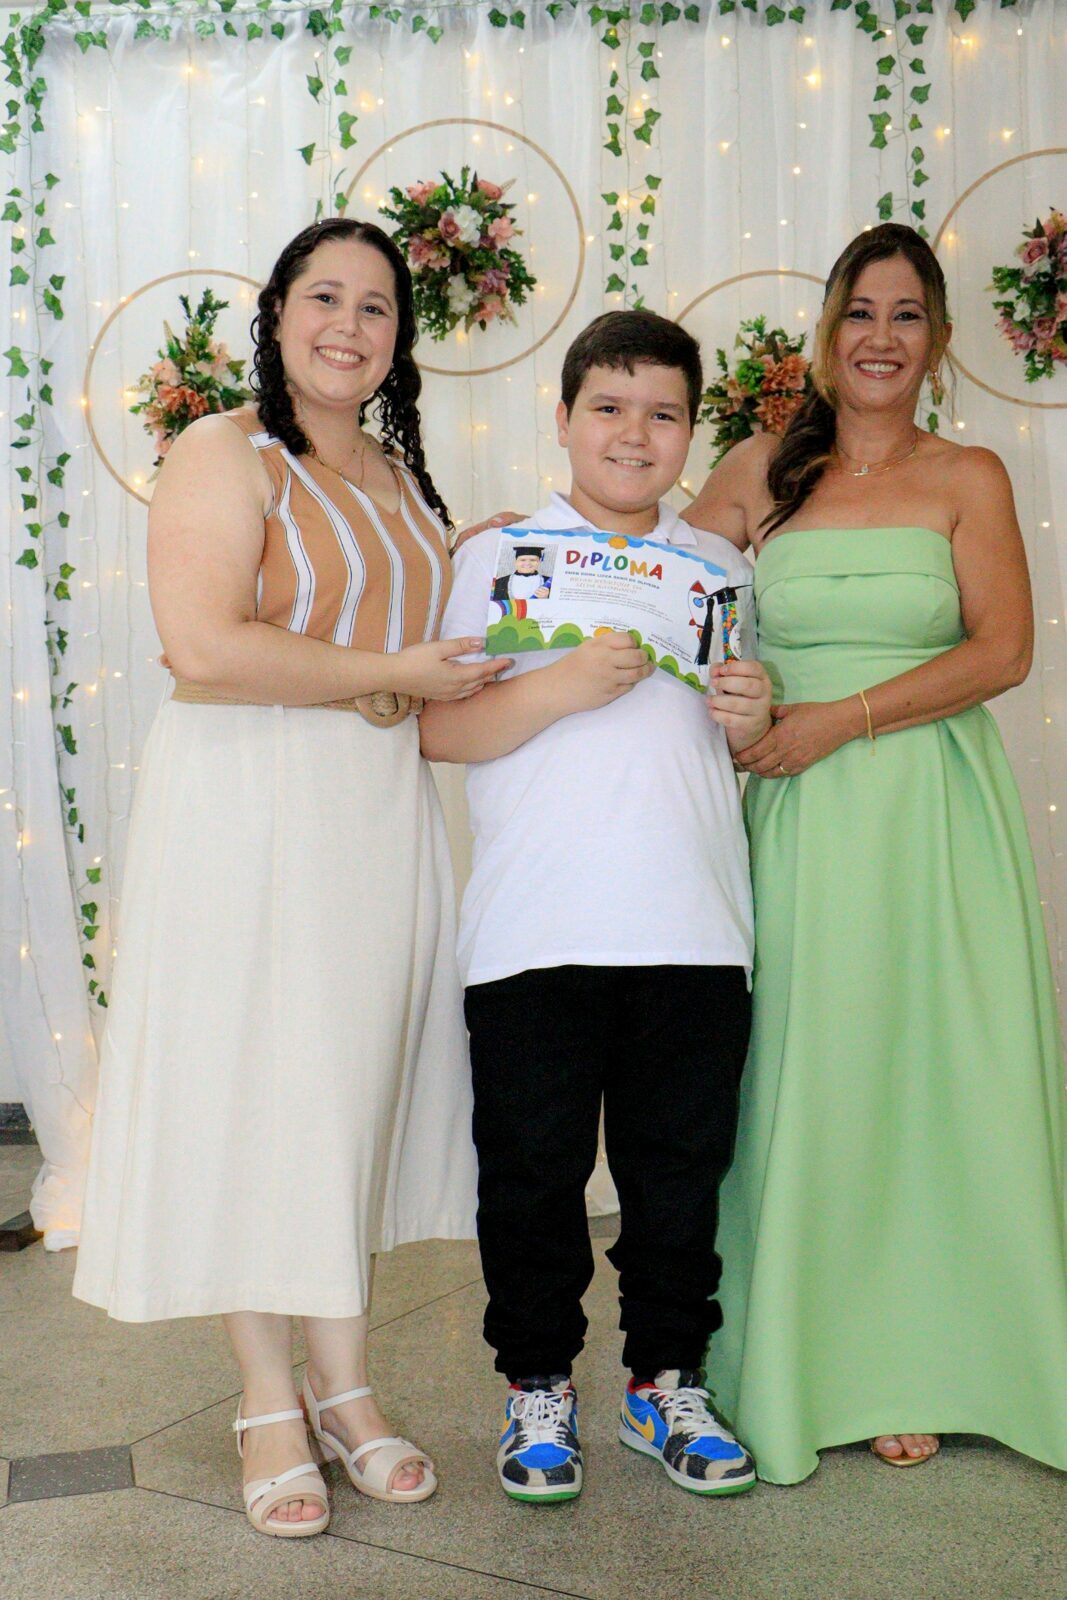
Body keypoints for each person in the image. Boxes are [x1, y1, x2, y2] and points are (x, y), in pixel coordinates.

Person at [72, 218, 509, 1537]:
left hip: (374, 814)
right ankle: (271, 1400)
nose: (348, 326)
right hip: (247, 804)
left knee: (340, 1099)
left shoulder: (395, 472)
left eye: (376, 307)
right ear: (276, 315)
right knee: (255, 1095)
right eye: (325, 297)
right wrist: (393, 674)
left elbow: (398, 635)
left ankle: (345, 1387)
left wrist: (481, 568)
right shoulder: (222, 449)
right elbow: (204, 646)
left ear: (399, 339)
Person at [685, 222, 1067, 1484]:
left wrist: (836, 720)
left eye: (905, 316)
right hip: (795, 820)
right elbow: (653, 576)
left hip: (926, 808)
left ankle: (925, 1357)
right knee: (813, 1067)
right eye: (860, 311)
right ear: (826, 331)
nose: (880, 337)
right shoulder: (760, 468)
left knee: (927, 1067)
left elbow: (1000, 650)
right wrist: (521, 541)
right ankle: (812, 1352)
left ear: (936, 339)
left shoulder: (968, 475)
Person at [421, 310, 773, 1502]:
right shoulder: (499, 555)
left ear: (690, 432)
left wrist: (755, 718)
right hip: (534, 930)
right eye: (608, 407)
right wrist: (562, 685)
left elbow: (734, 744)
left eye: (662, 413)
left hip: (693, 929)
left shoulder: (719, 569)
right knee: (531, 1179)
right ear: (564, 417)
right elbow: (437, 731)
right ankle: (537, 1387)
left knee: (678, 1180)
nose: (634, 433)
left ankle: (663, 1382)